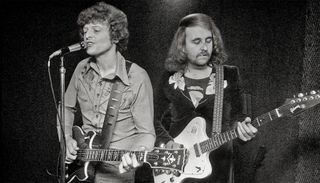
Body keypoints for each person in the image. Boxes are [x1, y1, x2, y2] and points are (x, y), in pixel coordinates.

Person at [121, 13, 257, 183]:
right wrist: (168, 143)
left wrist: (242, 127)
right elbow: (152, 121)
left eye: (208, 40)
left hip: (217, 165)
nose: (205, 47)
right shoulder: (169, 78)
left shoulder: (229, 74)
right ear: (183, 46)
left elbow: (239, 115)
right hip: (176, 167)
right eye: (197, 41)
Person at [57, 2, 155, 183]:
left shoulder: (137, 77)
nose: (87, 35)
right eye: (85, 31)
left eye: (95, 30)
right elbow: (66, 108)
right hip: (82, 166)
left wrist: (138, 152)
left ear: (115, 36)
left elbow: (147, 133)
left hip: (116, 171)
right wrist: (67, 138)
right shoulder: (81, 69)